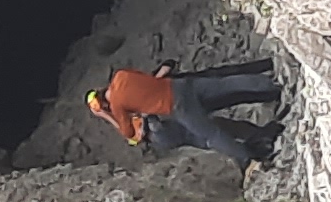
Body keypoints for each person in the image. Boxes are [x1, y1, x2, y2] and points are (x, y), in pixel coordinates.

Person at [86, 57, 282, 165]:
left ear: (103, 105)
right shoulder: (121, 75)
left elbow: (128, 133)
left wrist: (106, 115)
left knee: (211, 135)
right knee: (225, 83)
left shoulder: (117, 105)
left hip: (177, 106)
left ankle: (247, 157)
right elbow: (150, 79)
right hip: (180, 85)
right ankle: (272, 84)